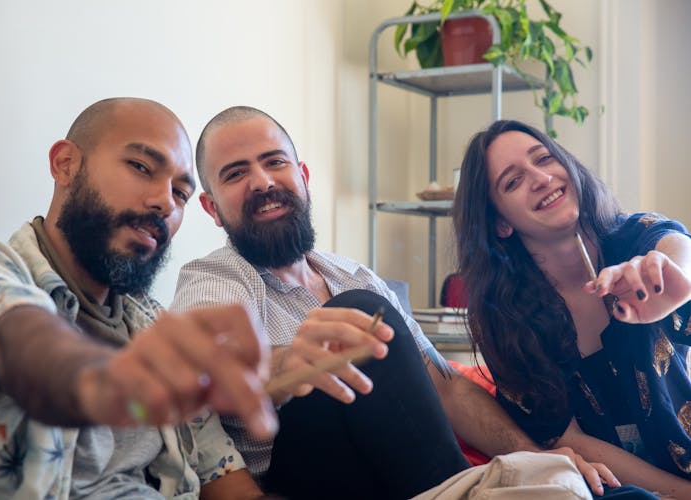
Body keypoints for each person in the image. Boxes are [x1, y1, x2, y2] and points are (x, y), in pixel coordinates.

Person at [171, 106, 654, 499]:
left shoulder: (351, 273)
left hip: (395, 473)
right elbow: (210, 365)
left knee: (594, 490)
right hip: (298, 476)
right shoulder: (214, 278)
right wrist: (293, 361)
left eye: (274, 162)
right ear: (212, 208)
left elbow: (444, 386)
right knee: (358, 318)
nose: (262, 181)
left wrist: (534, 458)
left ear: (301, 176)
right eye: (236, 174)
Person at [0, 97, 279, 499]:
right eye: (140, 167)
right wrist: (104, 381)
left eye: (181, 192)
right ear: (65, 164)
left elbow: (224, 477)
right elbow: (24, 342)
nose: (165, 202)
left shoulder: (153, 324)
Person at [452, 119, 691, 499]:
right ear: (500, 224)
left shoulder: (631, 238)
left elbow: (676, 244)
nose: (542, 178)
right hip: (615, 487)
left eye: (544, 159)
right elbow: (569, 440)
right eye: (513, 181)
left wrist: (672, 277)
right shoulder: (505, 317)